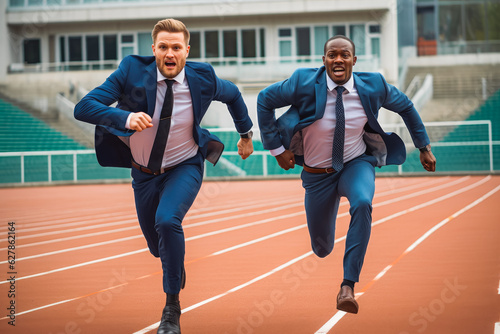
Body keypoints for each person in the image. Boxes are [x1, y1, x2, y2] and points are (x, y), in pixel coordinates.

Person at [74, 18, 254, 334]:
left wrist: (246, 134)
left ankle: (171, 310)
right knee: (157, 246)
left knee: (168, 220)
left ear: (186, 50)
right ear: (154, 49)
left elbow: (234, 94)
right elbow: (84, 107)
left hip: (184, 166)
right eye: (163, 47)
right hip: (143, 174)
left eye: (176, 47)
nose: (169, 53)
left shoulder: (203, 77)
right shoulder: (131, 71)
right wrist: (124, 116)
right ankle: (173, 262)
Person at [257, 35, 436, 314]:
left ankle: (347, 286)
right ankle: (325, 244)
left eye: (344, 55)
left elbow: (406, 107)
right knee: (321, 247)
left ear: (354, 60)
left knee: (363, 203)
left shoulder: (373, 84)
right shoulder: (302, 82)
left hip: (356, 162)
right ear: (324, 60)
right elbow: (264, 100)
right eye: (332, 55)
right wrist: (277, 149)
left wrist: (423, 147)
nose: (338, 60)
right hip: (317, 173)